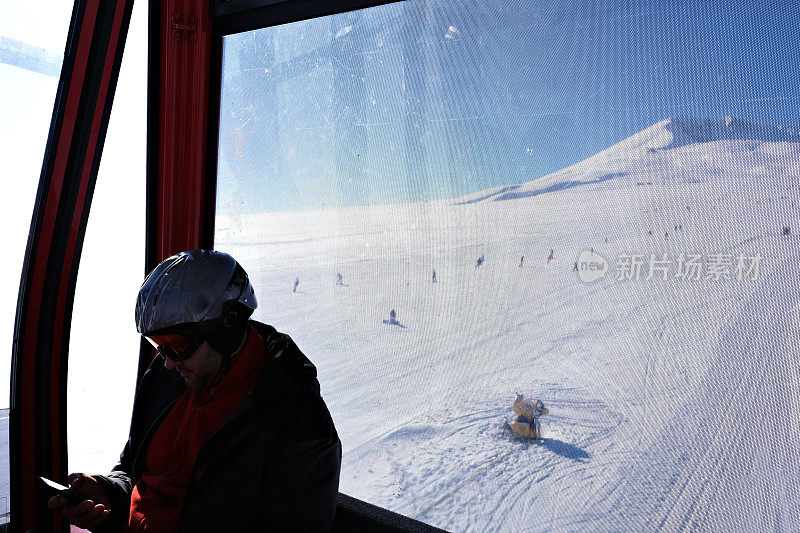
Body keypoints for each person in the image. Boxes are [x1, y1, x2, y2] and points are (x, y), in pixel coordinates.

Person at [48, 250, 341, 532]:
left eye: (177, 344)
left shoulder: (296, 422)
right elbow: (135, 470)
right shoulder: (169, 381)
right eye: (158, 345)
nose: (169, 362)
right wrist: (107, 492)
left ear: (228, 327)